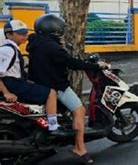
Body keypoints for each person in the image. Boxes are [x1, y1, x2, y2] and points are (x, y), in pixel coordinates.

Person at [27, 14, 109, 164]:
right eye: (60, 30)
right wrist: (97, 66)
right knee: (79, 110)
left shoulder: (35, 43)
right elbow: (71, 63)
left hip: (38, 83)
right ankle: (80, 148)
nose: (62, 33)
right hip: (55, 85)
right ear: (54, 30)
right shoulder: (53, 47)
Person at [0, 20, 67, 136]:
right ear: (9, 35)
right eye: (20, 34)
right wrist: (6, 93)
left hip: (15, 82)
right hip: (13, 84)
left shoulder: (12, 49)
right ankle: (53, 126)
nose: (25, 36)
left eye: (25, 33)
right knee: (51, 93)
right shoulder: (7, 50)